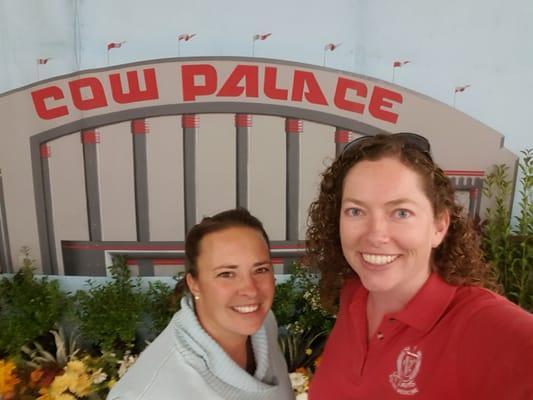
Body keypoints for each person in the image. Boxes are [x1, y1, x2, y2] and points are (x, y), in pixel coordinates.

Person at [306, 133, 533, 399]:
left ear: (439, 226)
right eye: (356, 211)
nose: (375, 234)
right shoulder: (354, 296)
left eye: (401, 213)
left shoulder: (482, 324)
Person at [108, 208, 294, 400]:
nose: (251, 290)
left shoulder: (263, 325)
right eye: (226, 274)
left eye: (261, 269)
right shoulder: (148, 393)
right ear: (194, 284)